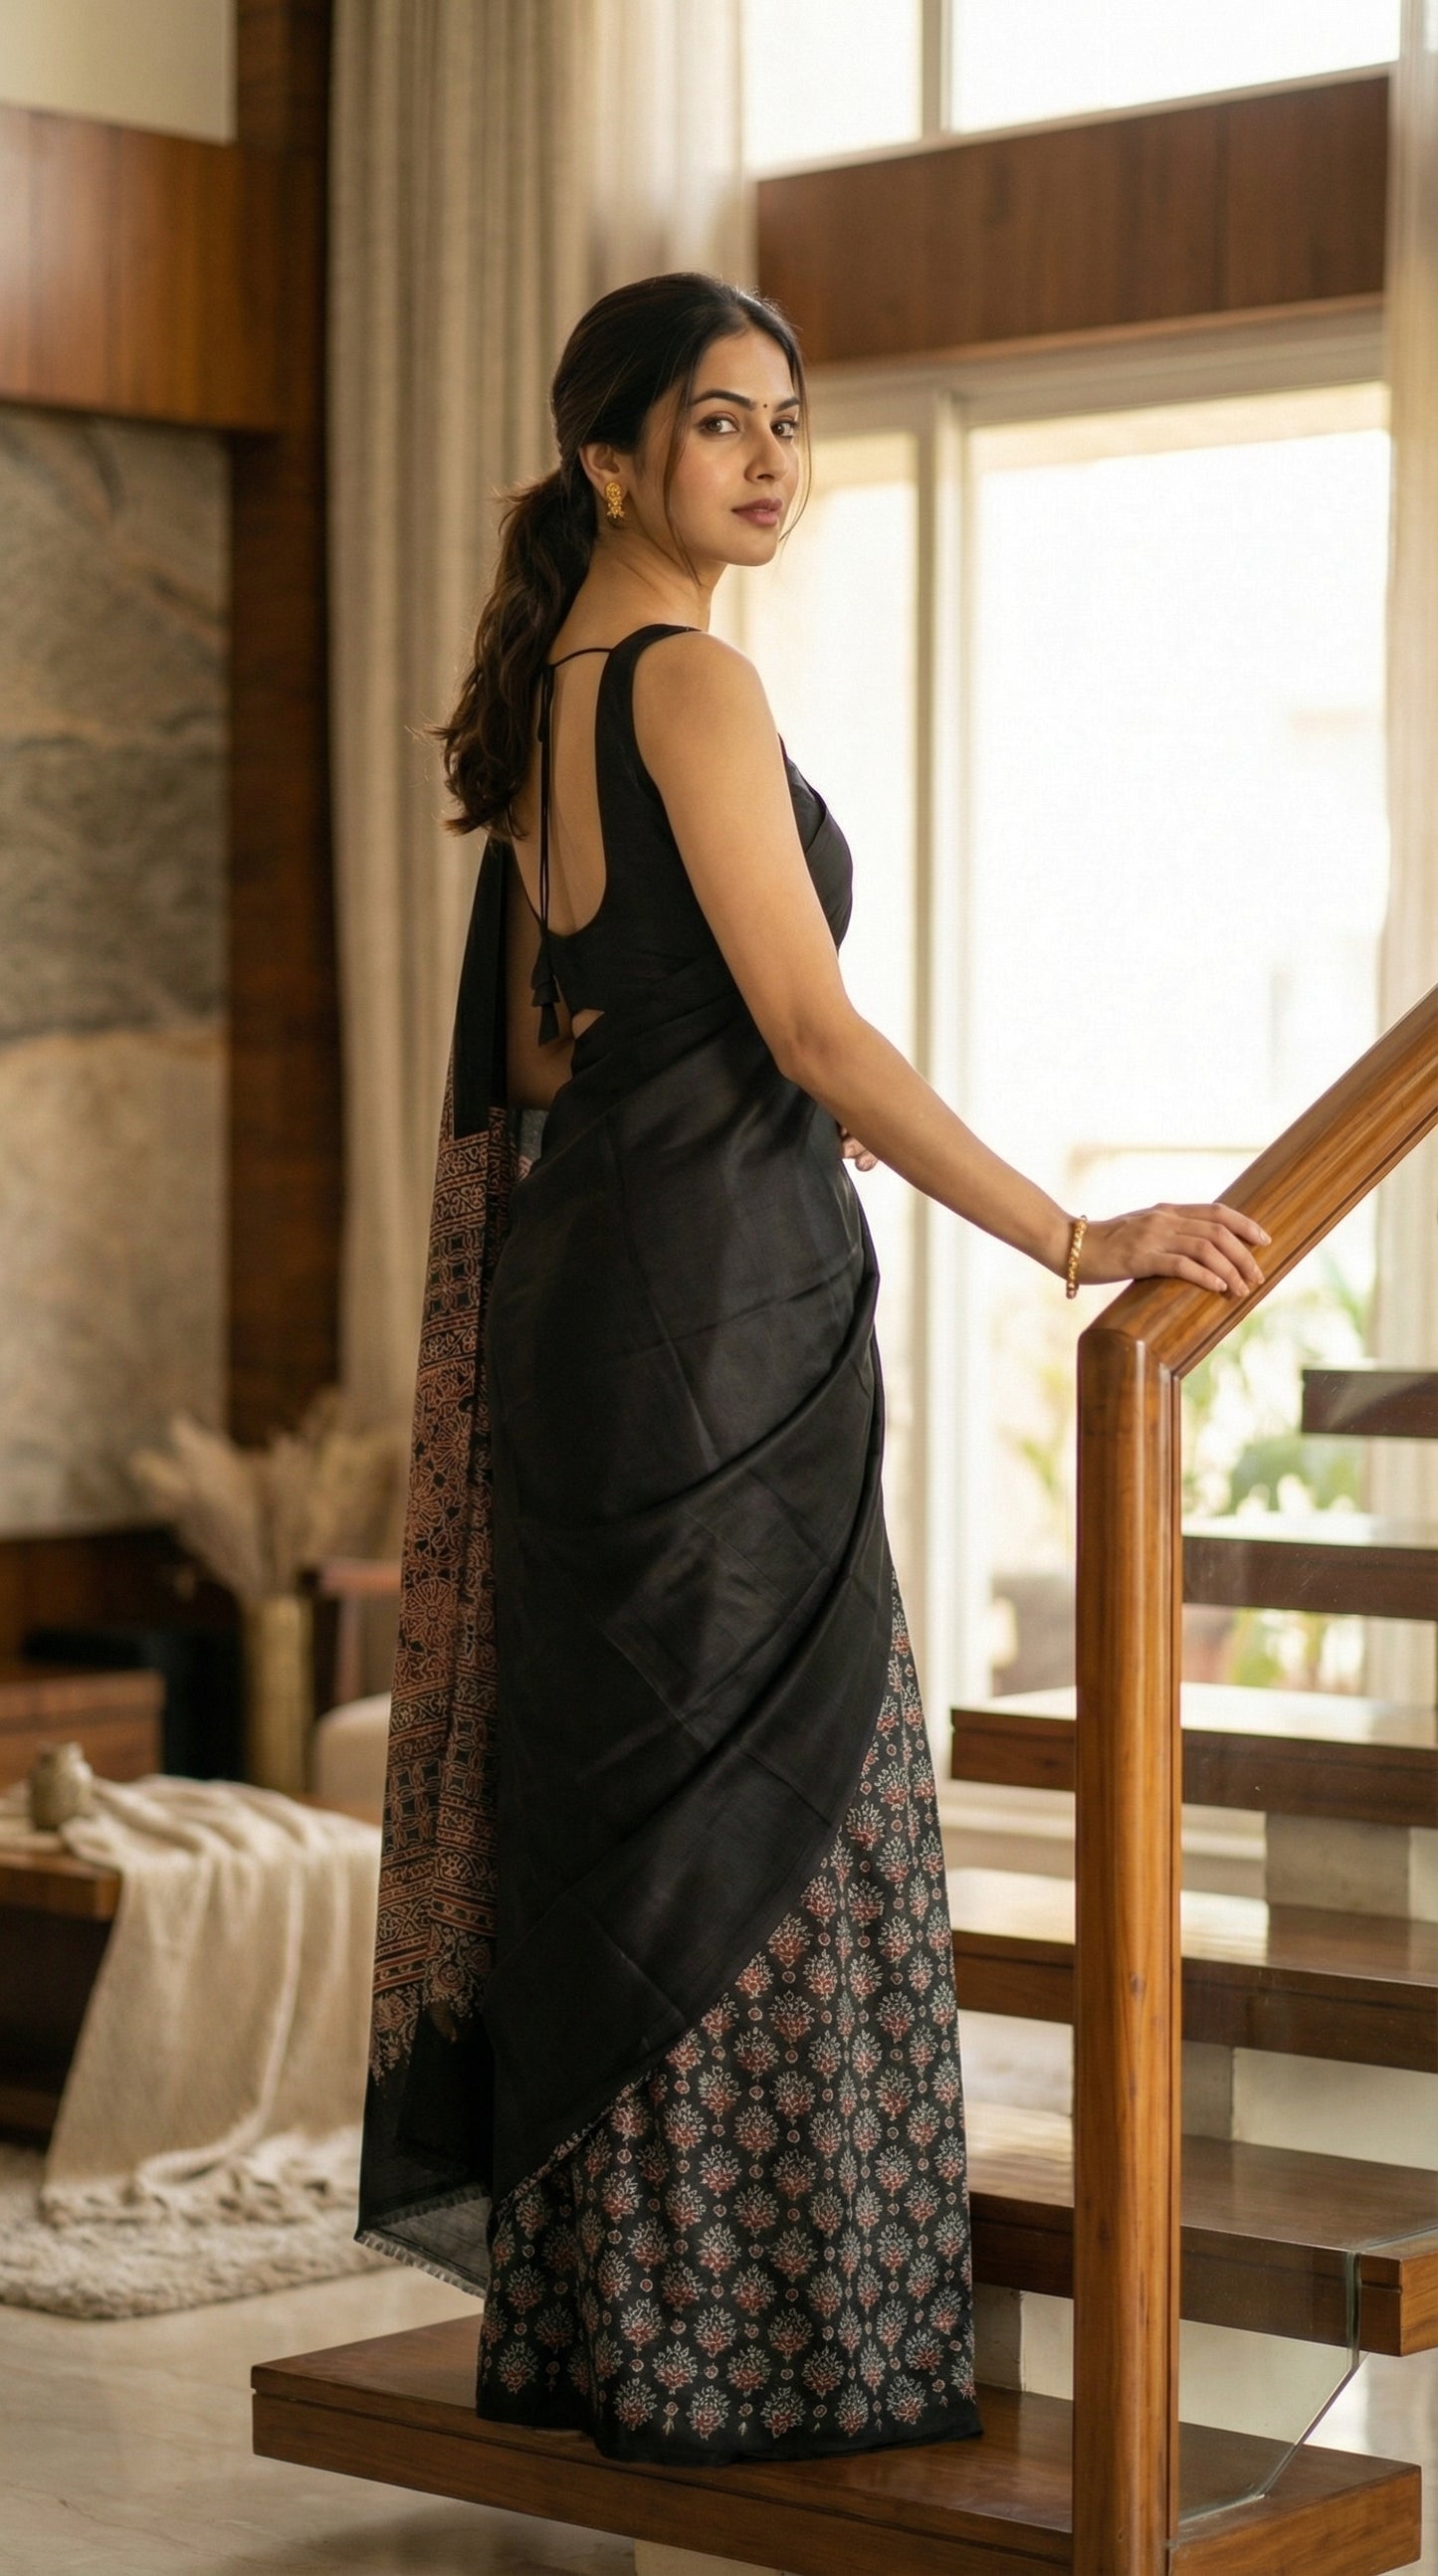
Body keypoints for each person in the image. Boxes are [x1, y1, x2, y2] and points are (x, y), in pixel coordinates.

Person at [356, 273, 1267, 2495]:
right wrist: (1081, 1232)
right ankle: (772, 2335)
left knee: (641, 1795)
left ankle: (627, 2329)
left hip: (606, 1302)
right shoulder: (689, 680)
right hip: (719, 1325)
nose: (769, 460)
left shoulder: (558, 694)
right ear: (612, 460)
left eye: (786, 420)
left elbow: (581, 1045)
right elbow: (814, 1029)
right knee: (788, 1780)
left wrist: (765, 1106)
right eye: (719, 425)